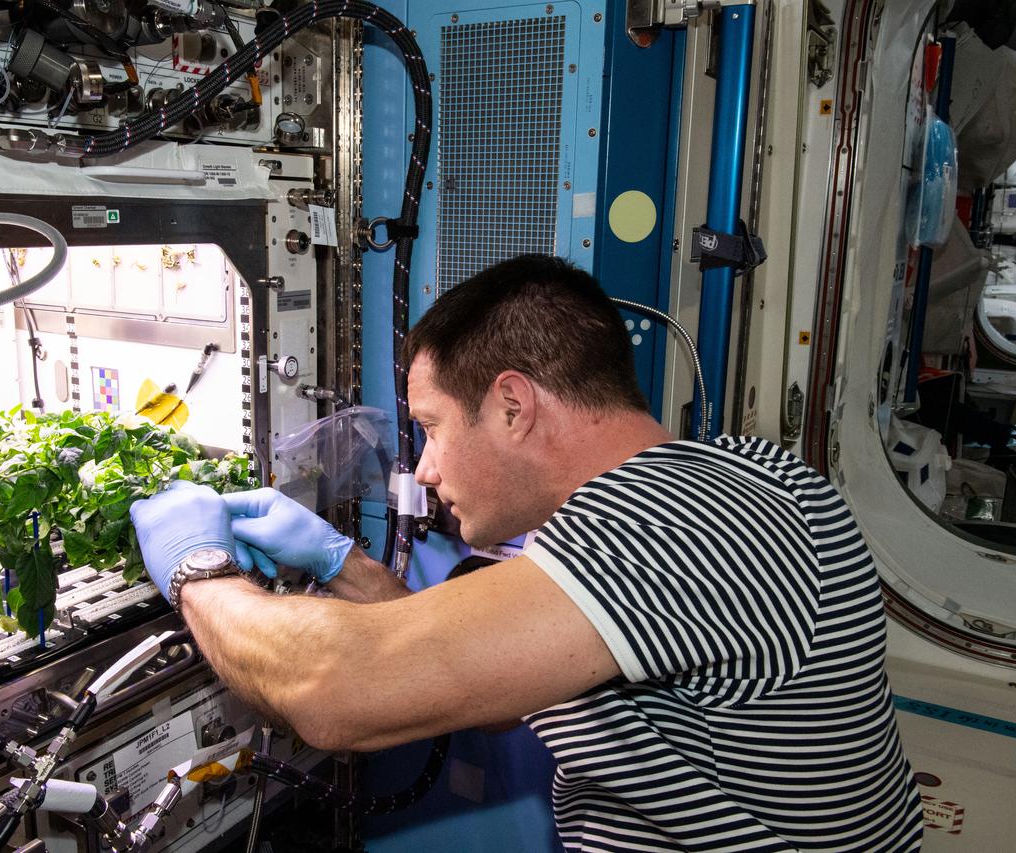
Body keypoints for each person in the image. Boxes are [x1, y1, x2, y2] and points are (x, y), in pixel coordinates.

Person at [130, 254, 924, 852]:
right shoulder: (728, 482)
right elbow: (504, 689)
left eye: (432, 428)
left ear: (513, 404)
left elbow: (334, 688)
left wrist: (198, 569)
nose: (426, 468)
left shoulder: (673, 522)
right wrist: (345, 565)